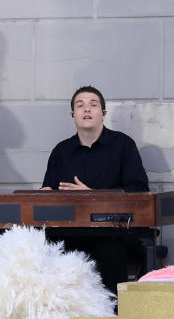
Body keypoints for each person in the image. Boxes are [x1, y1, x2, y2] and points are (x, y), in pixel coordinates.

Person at [41, 86, 149, 293]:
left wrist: (91, 195)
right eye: (80, 106)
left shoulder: (123, 145)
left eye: (93, 105)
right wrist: (46, 194)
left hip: (112, 233)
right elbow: (49, 193)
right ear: (72, 114)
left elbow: (139, 190)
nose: (87, 110)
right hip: (68, 233)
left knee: (108, 251)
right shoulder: (61, 151)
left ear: (103, 114)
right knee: (47, 253)